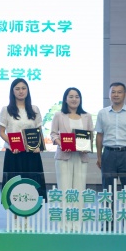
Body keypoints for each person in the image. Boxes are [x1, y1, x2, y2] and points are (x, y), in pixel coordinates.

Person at [50, 87, 94, 230]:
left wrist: (87, 145)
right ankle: (64, 224)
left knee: (79, 190)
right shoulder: (59, 115)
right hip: (64, 156)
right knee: (65, 190)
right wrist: (61, 144)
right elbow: (53, 134)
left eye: (77, 96)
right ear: (65, 99)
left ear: (80, 99)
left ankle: (77, 224)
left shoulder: (87, 116)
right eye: (71, 96)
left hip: (81, 156)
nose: (74, 99)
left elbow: (90, 135)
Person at [95, 82, 126, 210]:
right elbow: (99, 136)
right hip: (108, 154)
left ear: (125, 94)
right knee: (107, 191)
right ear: (109, 94)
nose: (116, 94)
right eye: (113, 92)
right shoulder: (102, 113)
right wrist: (99, 156)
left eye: (119, 92)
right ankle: (108, 219)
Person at [0, 78, 47, 201]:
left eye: (24, 88)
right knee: (14, 188)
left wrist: (39, 146)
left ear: (27, 90)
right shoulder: (6, 109)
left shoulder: (34, 109)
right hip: (13, 153)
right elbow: (1, 132)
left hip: (32, 154)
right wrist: (13, 144)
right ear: (12, 91)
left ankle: (30, 211)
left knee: (32, 187)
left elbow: (39, 131)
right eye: (17, 89)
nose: (21, 91)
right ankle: (14, 212)